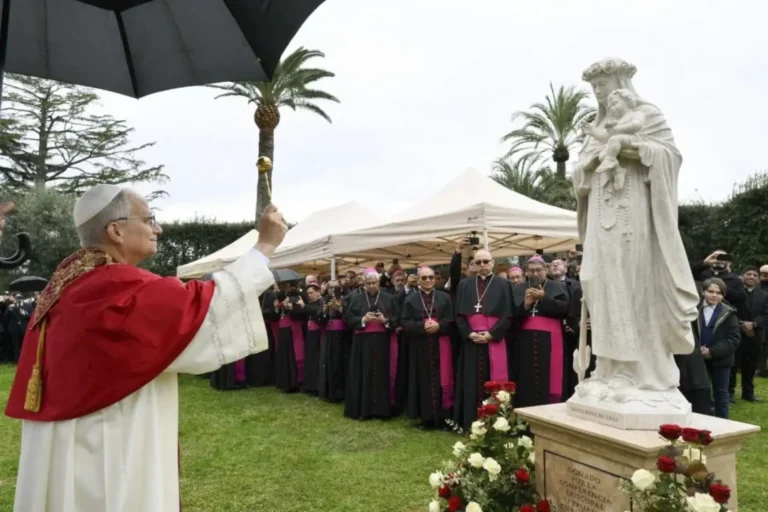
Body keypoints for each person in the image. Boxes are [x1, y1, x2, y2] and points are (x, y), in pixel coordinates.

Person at [4, 185, 287, 512]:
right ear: (116, 230)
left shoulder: (68, 285)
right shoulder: (113, 286)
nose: (158, 228)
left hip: (69, 440)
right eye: (149, 219)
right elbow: (203, 309)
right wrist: (265, 246)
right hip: (106, 443)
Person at [572, 57, 700, 403]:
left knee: (630, 286)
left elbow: (669, 157)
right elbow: (579, 174)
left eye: (603, 85)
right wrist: (587, 165)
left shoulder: (647, 115)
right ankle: (607, 368)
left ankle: (639, 373)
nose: (598, 93)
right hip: (600, 222)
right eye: (594, 87)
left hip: (634, 219)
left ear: (620, 85)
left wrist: (629, 149)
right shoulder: (598, 126)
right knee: (596, 283)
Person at [453, 249, 515, 430]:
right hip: (471, 342)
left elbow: (508, 314)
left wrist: (492, 334)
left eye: (485, 261)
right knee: (470, 381)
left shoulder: (504, 284)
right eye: (478, 262)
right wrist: (469, 333)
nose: (482, 265)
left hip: (493, 340)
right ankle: (469, 421)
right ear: (473, 264)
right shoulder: (465, 284)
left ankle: (496, 423)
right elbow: (459, 315)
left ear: (492, 263)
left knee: (493, 380)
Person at [511, 256, 570, 407]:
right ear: (526, 272)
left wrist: (544, 298)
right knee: (525, 375)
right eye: (531, 271)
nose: (535, 274)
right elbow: (511, 315)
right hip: (524, 341)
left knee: (549, 375)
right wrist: (526, 304)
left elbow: (564, 309)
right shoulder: (518, 288)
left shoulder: (557, 286)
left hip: (550, 340)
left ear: (545, 270)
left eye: (539, 270)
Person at [401, 266, 455, 429]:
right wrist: (422, 327)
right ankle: (426, 418)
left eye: (431, 277)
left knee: (443, 378)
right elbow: (405, 322)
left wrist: (439, 326)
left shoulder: (444, 297)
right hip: (420, 345)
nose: (428, 280)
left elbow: (451, 319)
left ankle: (444, 417)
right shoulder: (410, 299)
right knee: (422, 380)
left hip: (441, 344)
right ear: (418, 280)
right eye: (424, 278)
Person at [344, 268, 400, 420]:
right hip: (362, 342)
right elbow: (348, 318)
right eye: (368, 283)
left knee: (381, 373)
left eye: (374, 283)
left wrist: (385, 321)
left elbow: (397, 318)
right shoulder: (356, 298)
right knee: (363, 373)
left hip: (383, 342)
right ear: (364, 284)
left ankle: (381, 410)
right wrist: (363, 319)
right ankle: (364, 409)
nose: (371, 286)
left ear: (378, 283)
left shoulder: (389, 298)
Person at [694, 278, 740, 418]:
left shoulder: (729, 313)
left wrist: (712, 352)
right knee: (700, 393)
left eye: (719, 293)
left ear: (723, 295)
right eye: (711, 291)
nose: (714, 295)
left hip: (721, 360)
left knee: (721, 393)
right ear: (703, 291)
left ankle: (723, 422)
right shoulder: (694, 310)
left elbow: (733, 339)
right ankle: (701, 422)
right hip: (697, 359)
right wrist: (697, 350)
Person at [584, 88, 645, 191]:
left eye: (615, 103)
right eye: (610, 106)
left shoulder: (636, 114)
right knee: (602, 155)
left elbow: (637, 125)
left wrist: (617, 129)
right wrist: (592, 132)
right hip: (619, 141)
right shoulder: (616, 121)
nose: (612, 108)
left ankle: (611, 160)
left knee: (614, 140)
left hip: (634, 140)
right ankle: (618, 171)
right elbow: (606, 138)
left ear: (628, 101)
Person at [318, 281, 347, 402]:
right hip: (329, 335)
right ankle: (329, 392)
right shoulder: (325, 300)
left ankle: (340, 393)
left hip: (341, 336)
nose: (333, 289)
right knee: (328, 362)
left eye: (335, 287)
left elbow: (348, 317)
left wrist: (339, 308)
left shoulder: (345, 299)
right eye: (330, 287)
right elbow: (320, 318)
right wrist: (325, 311)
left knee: (339, 362)